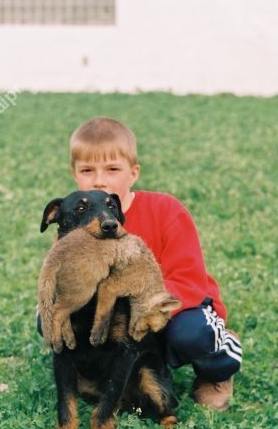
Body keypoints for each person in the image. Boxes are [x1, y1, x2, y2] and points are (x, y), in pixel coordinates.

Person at [44, 117, 242, 411]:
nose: (100, 180)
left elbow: (190, 281)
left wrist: (137, 303)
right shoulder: (75, 223)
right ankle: (104, 373)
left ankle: (217, 368)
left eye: (112, 169)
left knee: (192, 335)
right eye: (88, 170)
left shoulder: (166, 211)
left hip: (174, 307)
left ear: (133, 173)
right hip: (116, 317)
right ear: (75, 174)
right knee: (51, 318)